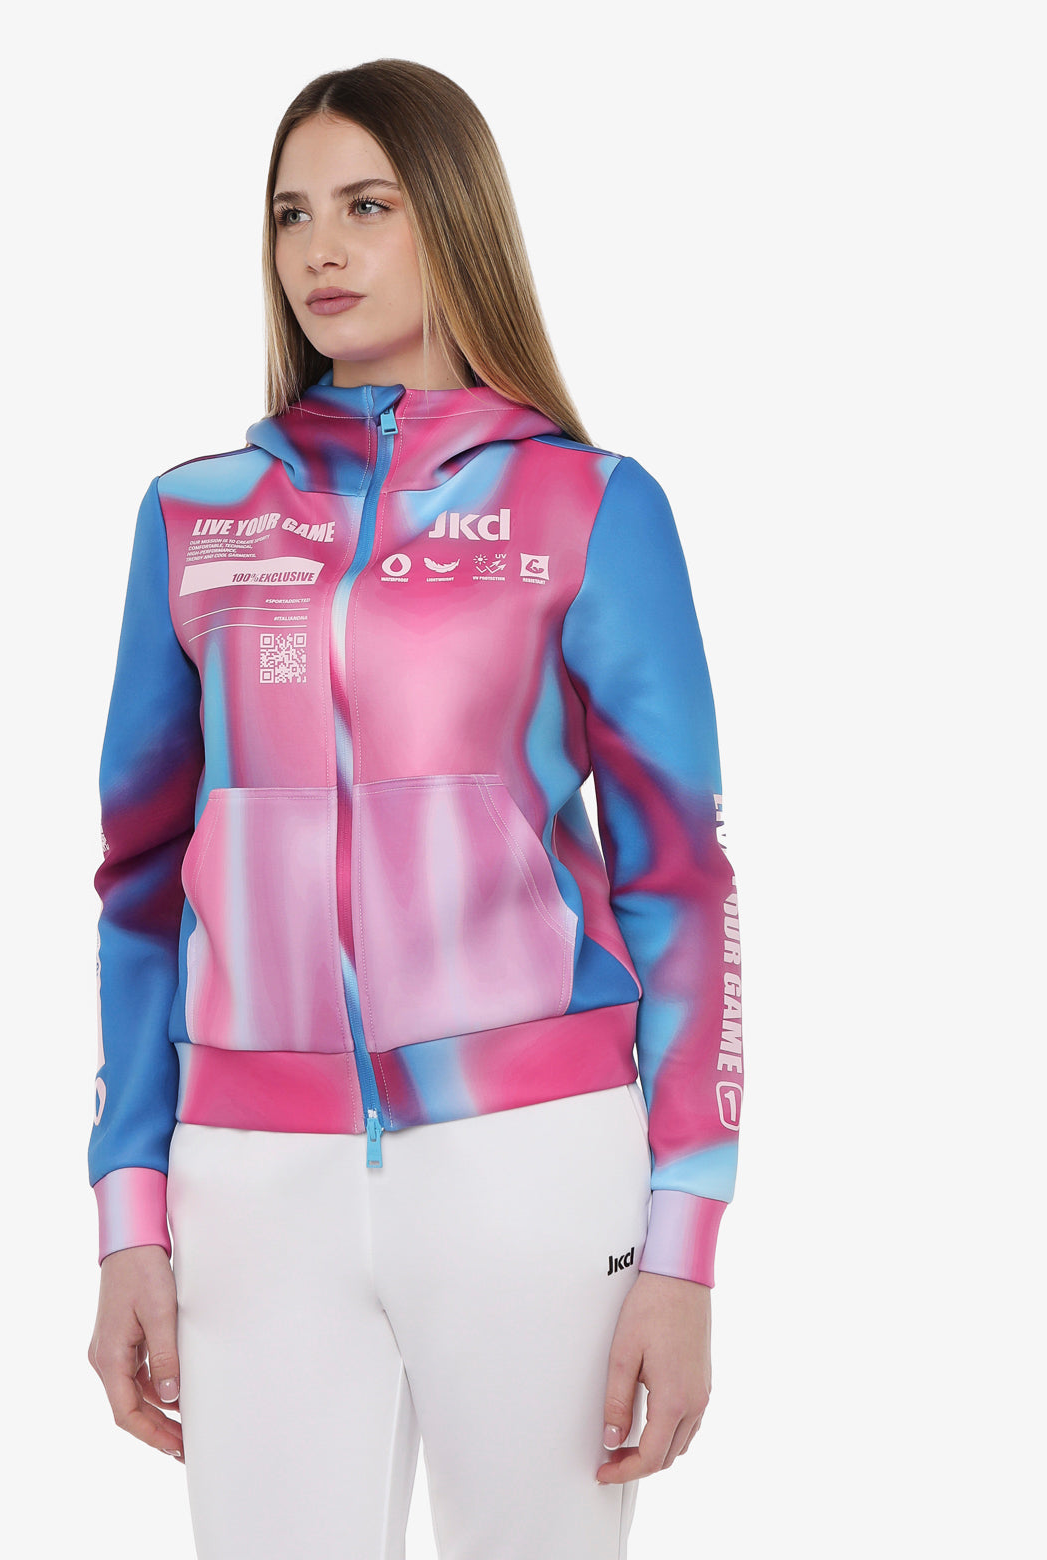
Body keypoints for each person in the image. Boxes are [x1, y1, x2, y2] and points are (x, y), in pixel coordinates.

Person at [85, 57, 742, 1560]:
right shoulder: (197, 516)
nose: (320, 249)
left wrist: (685, 1242)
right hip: (248, 1179)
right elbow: (139, 884)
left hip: (533, 1156)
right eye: (292, 214)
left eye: (367, 206)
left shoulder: (587, 505)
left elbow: (682, 885)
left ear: (452, 218)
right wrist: (130, 1215)